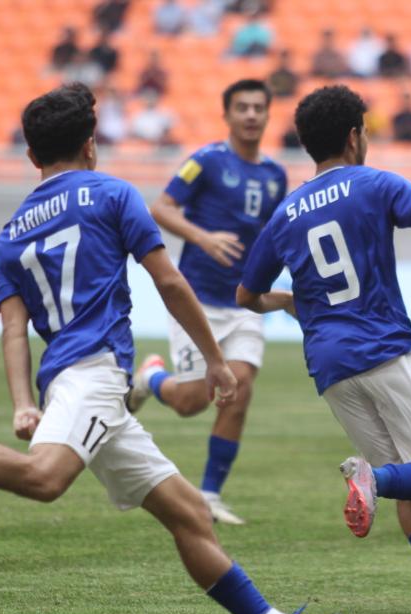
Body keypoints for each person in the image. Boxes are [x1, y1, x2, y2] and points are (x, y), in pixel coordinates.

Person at [0, 83, 342, 614]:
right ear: (90, 145)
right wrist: (213, 359)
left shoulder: (8, 237)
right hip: (98, 374)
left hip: (71, 380)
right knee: (44, 478)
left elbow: (12, 330)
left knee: (189, 514)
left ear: (32, 157)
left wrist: (22, 403)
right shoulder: (111, 194)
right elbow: (172, 282)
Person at [235, 85, 411, 614]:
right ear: (355, 135)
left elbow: (246, 296)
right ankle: (371, 480)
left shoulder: (285, 213)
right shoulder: (373, 183)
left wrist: (291, 298)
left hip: (331, 367)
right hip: (382, 350)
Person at [125, 80, 286, 526]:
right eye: (242, 108)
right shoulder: (207, 161)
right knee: (192, 400)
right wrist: (203, 237)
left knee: (241, 389)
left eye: (258, 107)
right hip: (197, 300)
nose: (251, 115)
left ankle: (210, 494)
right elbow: (162, 208)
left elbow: (271, 236)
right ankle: (150, 378)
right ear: (228, 114)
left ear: (268, 114)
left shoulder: (275, 175)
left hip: (244, 303)